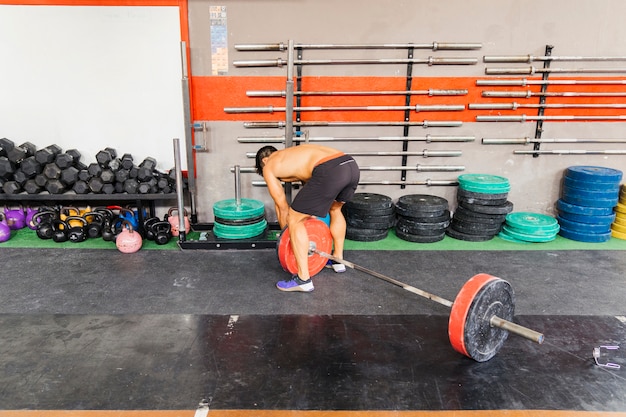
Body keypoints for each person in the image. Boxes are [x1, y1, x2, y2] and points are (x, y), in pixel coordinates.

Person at [255, 144, 360, 292]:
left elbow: (282, 206)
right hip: (350, 165)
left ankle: (303, 279)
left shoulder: (269, 165)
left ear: (264, 160)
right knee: (335, 209)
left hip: (329, 169)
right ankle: (338, 260)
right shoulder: (291, 156)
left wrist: (288, 236)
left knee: (294, 219)